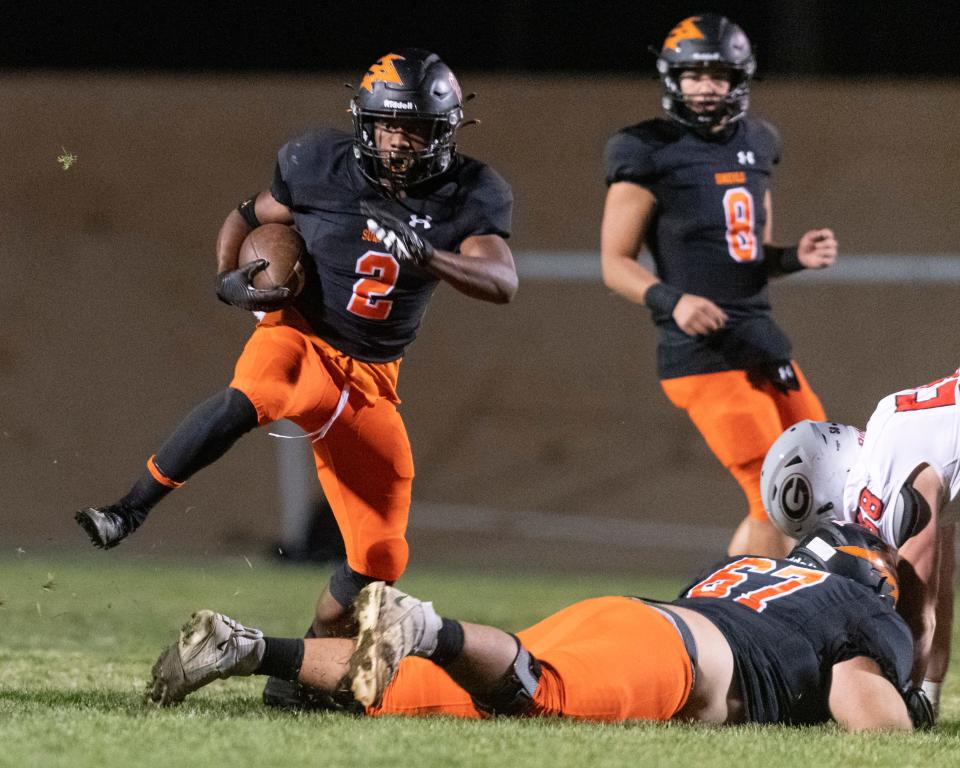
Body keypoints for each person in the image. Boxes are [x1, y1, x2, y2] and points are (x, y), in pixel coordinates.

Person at [74, 49, 517, 709]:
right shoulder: (317, 161)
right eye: (391, 125)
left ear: (448, 130)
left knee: (381, 557)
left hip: (370, 377)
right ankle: (127, 508)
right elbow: (250, 217)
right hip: (298, 336)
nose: (402, 139)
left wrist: (432, 256)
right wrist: (229, 278)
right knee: (257, 393)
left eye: (419, 128)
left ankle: (300, 670)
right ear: (363, 122)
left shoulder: (473, 191)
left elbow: (502, 279)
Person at [147, 521, 932, 731]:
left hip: (634, 615)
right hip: (681, 657)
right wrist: (911, 706)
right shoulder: (865, 607)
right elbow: (871, 718)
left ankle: (249, 649)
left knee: (414, 692)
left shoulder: (755, 570)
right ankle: (428, 626)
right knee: (534, 692)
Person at [600, 14, 837, 559]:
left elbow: (749, 253)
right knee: (773, 498)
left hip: (759, 339)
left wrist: (791, 257)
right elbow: (614, 262)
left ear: (739, 80)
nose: (706, 87)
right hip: (702, 354)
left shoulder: (757, 141)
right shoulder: (645, 150)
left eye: (718, 75)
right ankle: (732, 622)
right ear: (672, 79)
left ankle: (738, 609)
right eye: (694, 75)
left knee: (826, 483)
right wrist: (672, 300)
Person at [762, 367, 960, 719]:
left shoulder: (878, 486)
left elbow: (919, 608)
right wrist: (928, 693)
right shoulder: (888, 419)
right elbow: (939, 586)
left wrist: (901, 699)